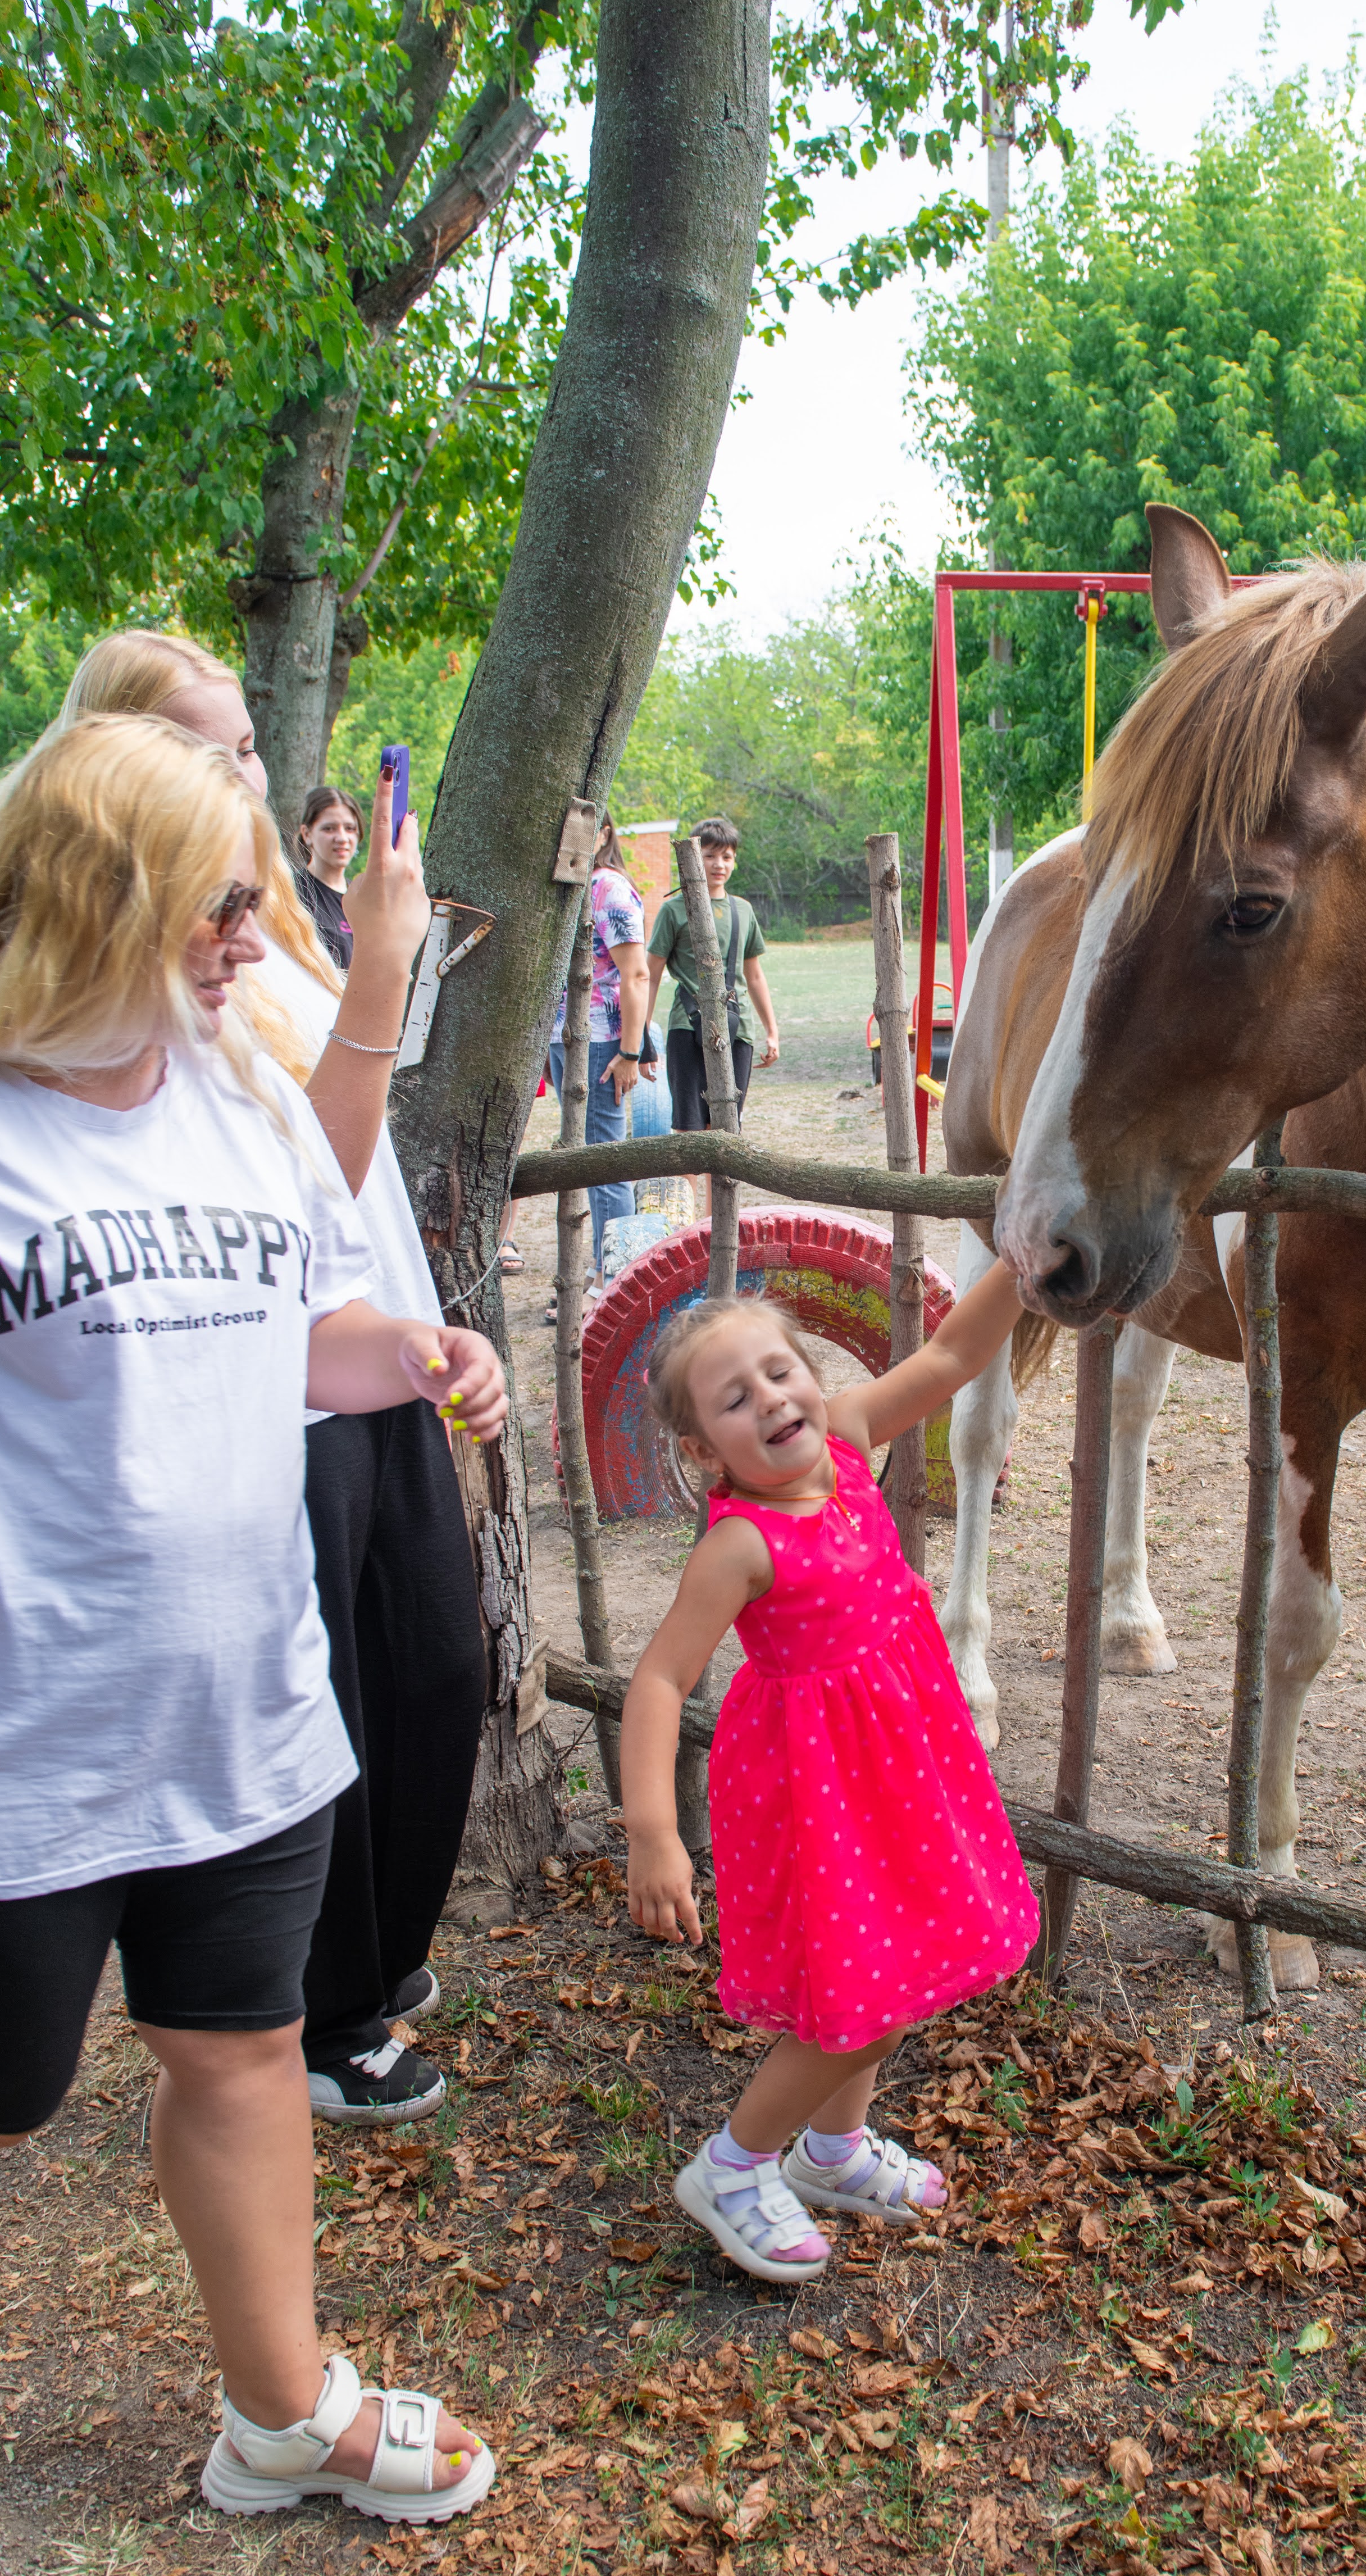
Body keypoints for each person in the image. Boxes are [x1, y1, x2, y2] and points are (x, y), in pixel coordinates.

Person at [0, 714, 500, 2520]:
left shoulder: (241, 1097)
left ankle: (280, 2412)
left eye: (255, 900)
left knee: (239, 2050)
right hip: (9, 1732)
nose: (257, 938)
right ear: (97, 891)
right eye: (220, 903)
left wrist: (411, 1351)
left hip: (247, 1706)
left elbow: (296, 1333)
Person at [59, 633, 482, 2129]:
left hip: (370, 1340)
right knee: (338, 1698)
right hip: (273, 1377)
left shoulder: (268, 915)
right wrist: (384, 968)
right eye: (211, 747)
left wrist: (379, 959)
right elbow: (313, 1180)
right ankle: (327, 2014)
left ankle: (375, 1954)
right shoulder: (170, 944)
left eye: (247, 743)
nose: (245, 769)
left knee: (434, 1667)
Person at [618, 1262, 1039, 2282]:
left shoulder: (849, 1437)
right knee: (863, 1995)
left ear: (811, 1376)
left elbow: (951, 1353)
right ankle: (733, 2164)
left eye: (780, 1371)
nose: (771, 1399)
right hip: (818, 1794)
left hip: (904, 1771)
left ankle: (834, 2150)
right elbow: (661, 1679)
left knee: (887, 1968)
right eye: (734, 1398)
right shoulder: (739, 1544)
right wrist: (653, 1833)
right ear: (701, 1449)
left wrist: (1024, 1261)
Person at [514, 816, 652, 1304]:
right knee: (588, 1156)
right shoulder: (572, 886)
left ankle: (615, 1284)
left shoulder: (608, 888)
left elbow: (636, 975)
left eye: (588, 827)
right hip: (564, 1036)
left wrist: (631, 1052)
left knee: (604, 1160)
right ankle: (601, 1267)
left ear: (605, 834)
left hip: (599, 1039)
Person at [644, 819, 780, 1217]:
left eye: (727, 857)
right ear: (694, 858)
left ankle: (716, 1224)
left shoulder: (743, 911)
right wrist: (642, 1036)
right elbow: (650, 974)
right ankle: (687, 1226)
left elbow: (754, 975)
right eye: (710, 855)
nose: (719, 864)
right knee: (688, 1131)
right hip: (687, 1028)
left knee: (725, 1130)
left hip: (739, 1030)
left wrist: (772, 1030)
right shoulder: (673, 910)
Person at [294, 784, 365, 970]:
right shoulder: (292, 892)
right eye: (329, 829)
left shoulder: (363, 899)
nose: (342, 838)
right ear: (307, 834)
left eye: (350, 828)